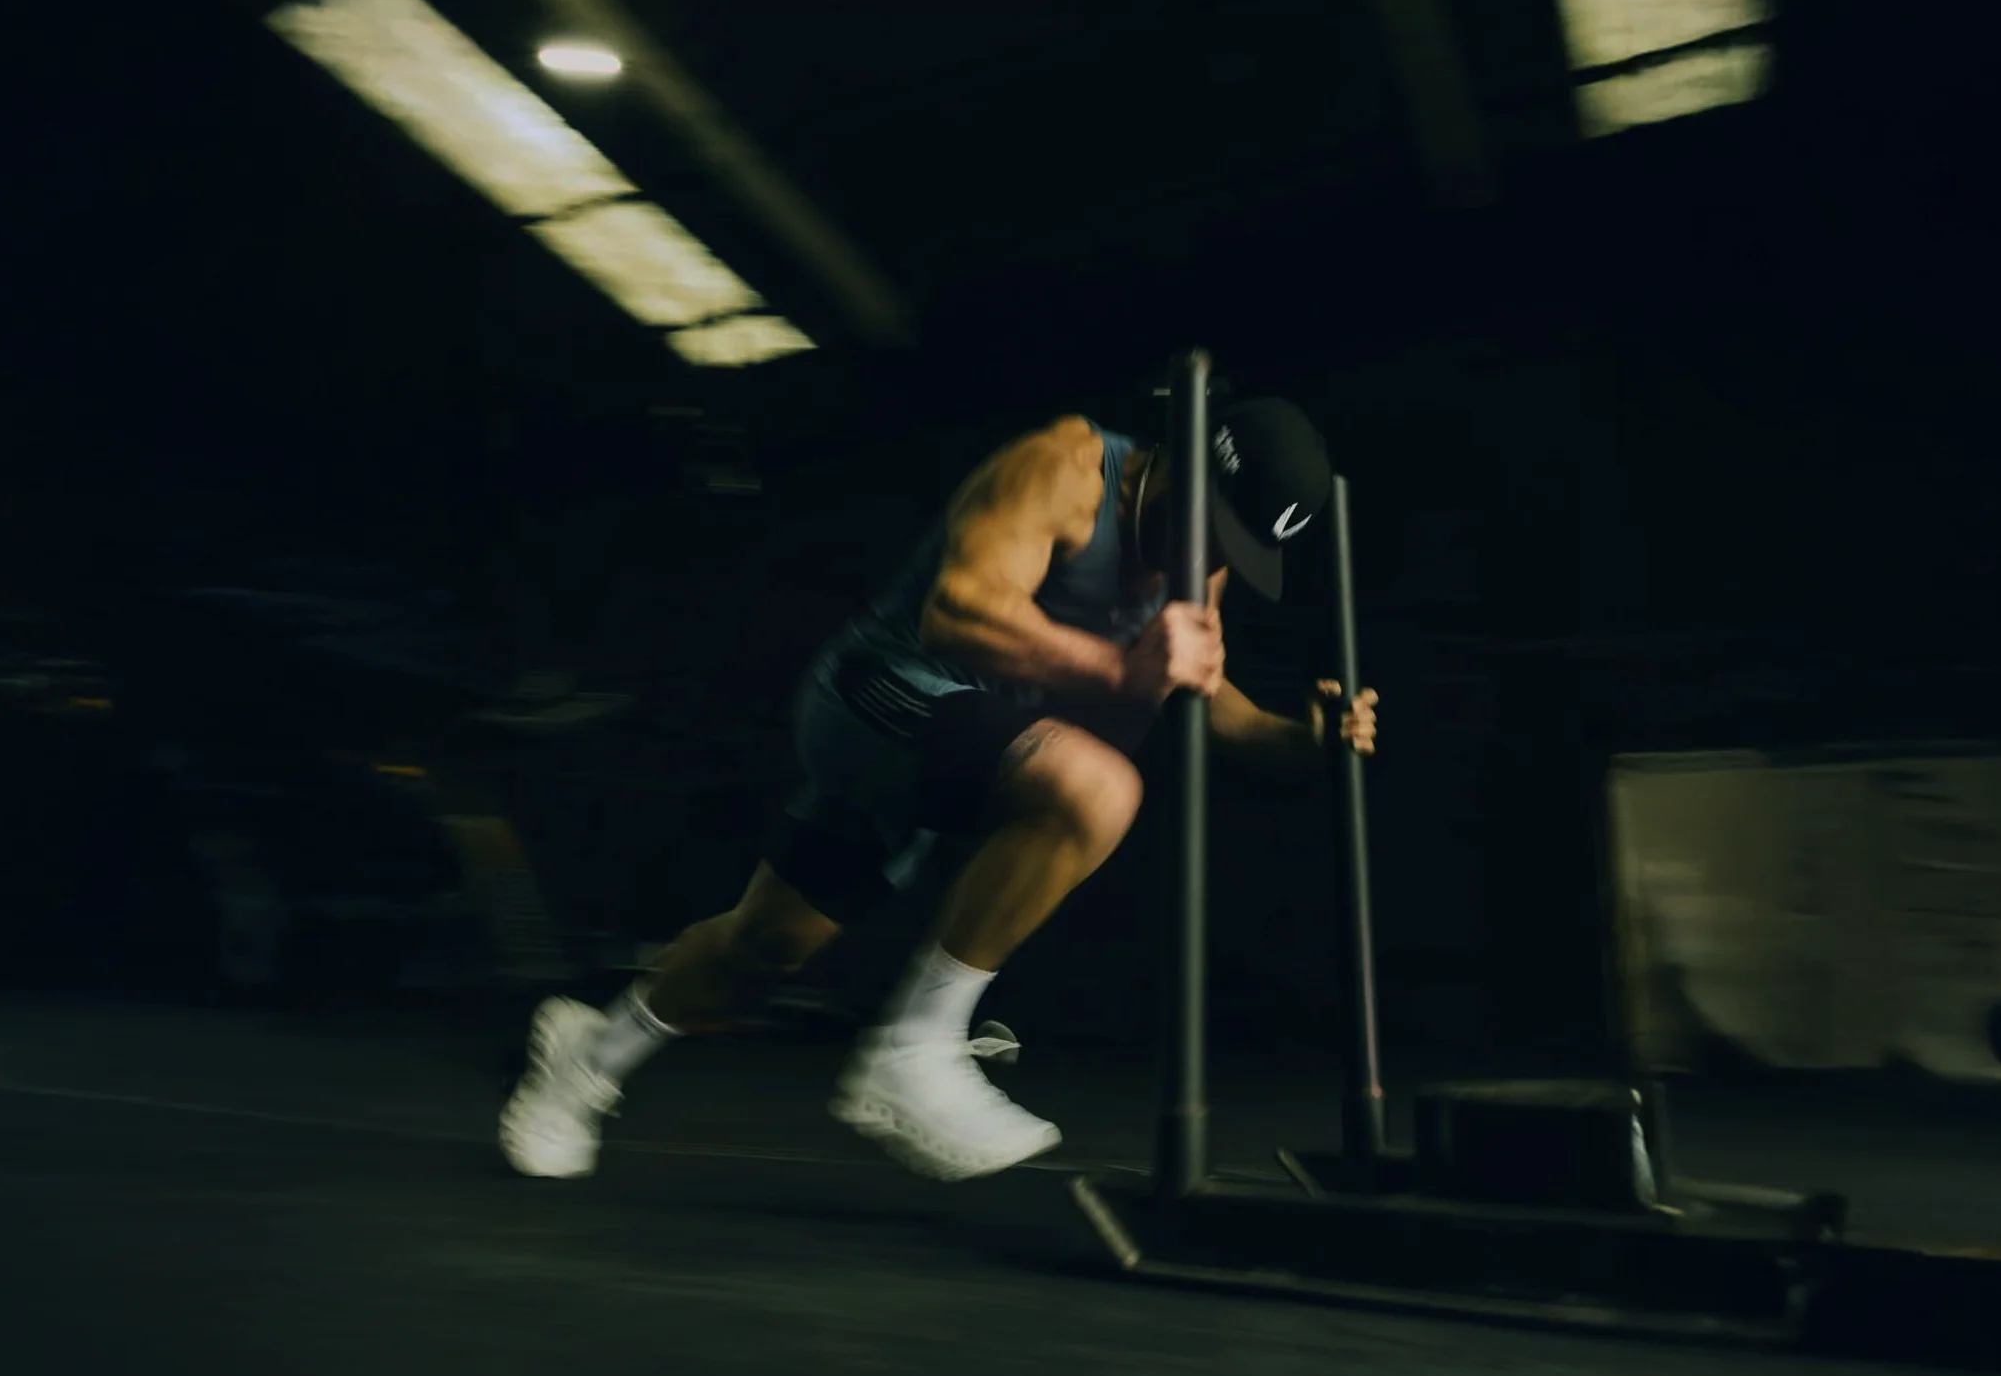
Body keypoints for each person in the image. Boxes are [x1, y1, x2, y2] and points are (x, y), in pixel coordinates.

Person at [497, 396, 1379, 1183]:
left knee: (765, 947)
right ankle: (915, 1047)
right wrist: (1119, 666)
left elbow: (1195, 687)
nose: (1214, 557)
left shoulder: (1201, 557)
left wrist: (1296, 739)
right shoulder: (1063, 469)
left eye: (1234, 547)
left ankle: (589, 1049)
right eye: (1214, 528)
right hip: (877, 697)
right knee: (1098, 789)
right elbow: (959, 611)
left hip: (963, 743)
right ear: (1182, 469)